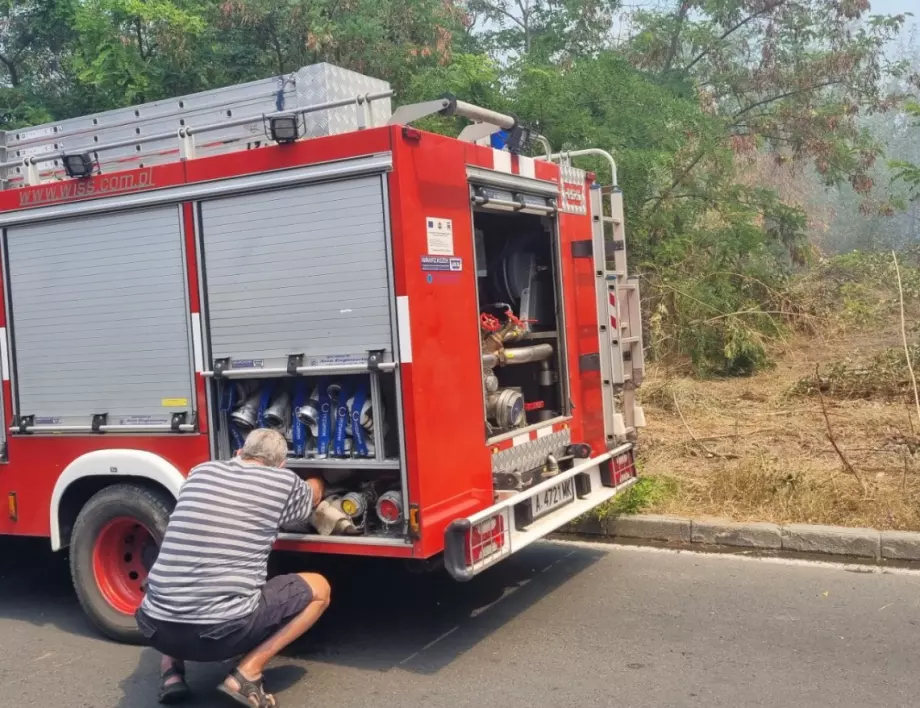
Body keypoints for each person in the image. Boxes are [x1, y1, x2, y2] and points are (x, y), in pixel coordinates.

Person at [135, 428, 328, 707]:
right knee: (320, 589)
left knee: (173, 563)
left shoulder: (200, 471)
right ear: (282, 465)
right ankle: (246, 674)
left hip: (153, 628)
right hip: (217, 635)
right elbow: (311, 498)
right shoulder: (283, 480)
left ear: (239, 452)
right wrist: (318, 477)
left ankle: (171, 674)